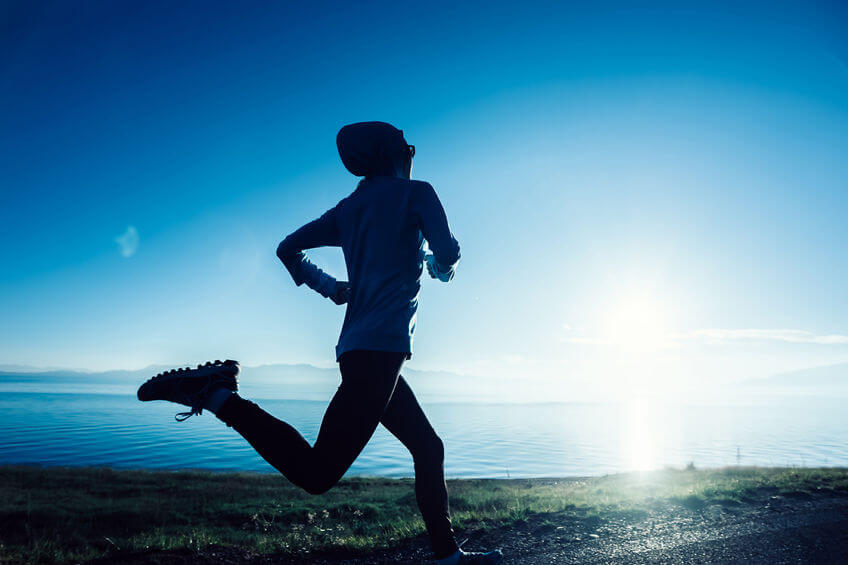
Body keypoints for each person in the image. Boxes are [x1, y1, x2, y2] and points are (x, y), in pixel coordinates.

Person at [137, 122, 503, 564]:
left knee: (428, 448)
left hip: (361, 351)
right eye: (408, 149)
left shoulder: (348, 209)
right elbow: (446, 256)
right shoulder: (418, 193)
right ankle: (215, 394)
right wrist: (439, 259)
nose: (411, 156)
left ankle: (448, 557)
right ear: (392, 153)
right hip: (379, 355)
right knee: (316, 473)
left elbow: (286, 248)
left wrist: (330, 288)